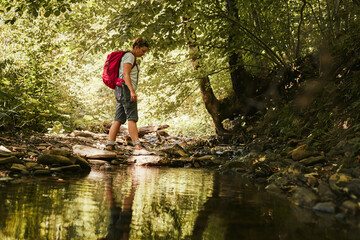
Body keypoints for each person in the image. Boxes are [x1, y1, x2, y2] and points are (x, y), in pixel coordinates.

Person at [106, 37, 149, 151]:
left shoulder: (127, 56)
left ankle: (110, 144)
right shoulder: (130, 56)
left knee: (119, 118)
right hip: (125, 89)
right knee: (132, 117)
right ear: (136, 47)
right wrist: (132, 91)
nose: (143, 54)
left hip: (120, 89)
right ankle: (137, 145)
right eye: (143, 51)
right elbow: (126, 74)